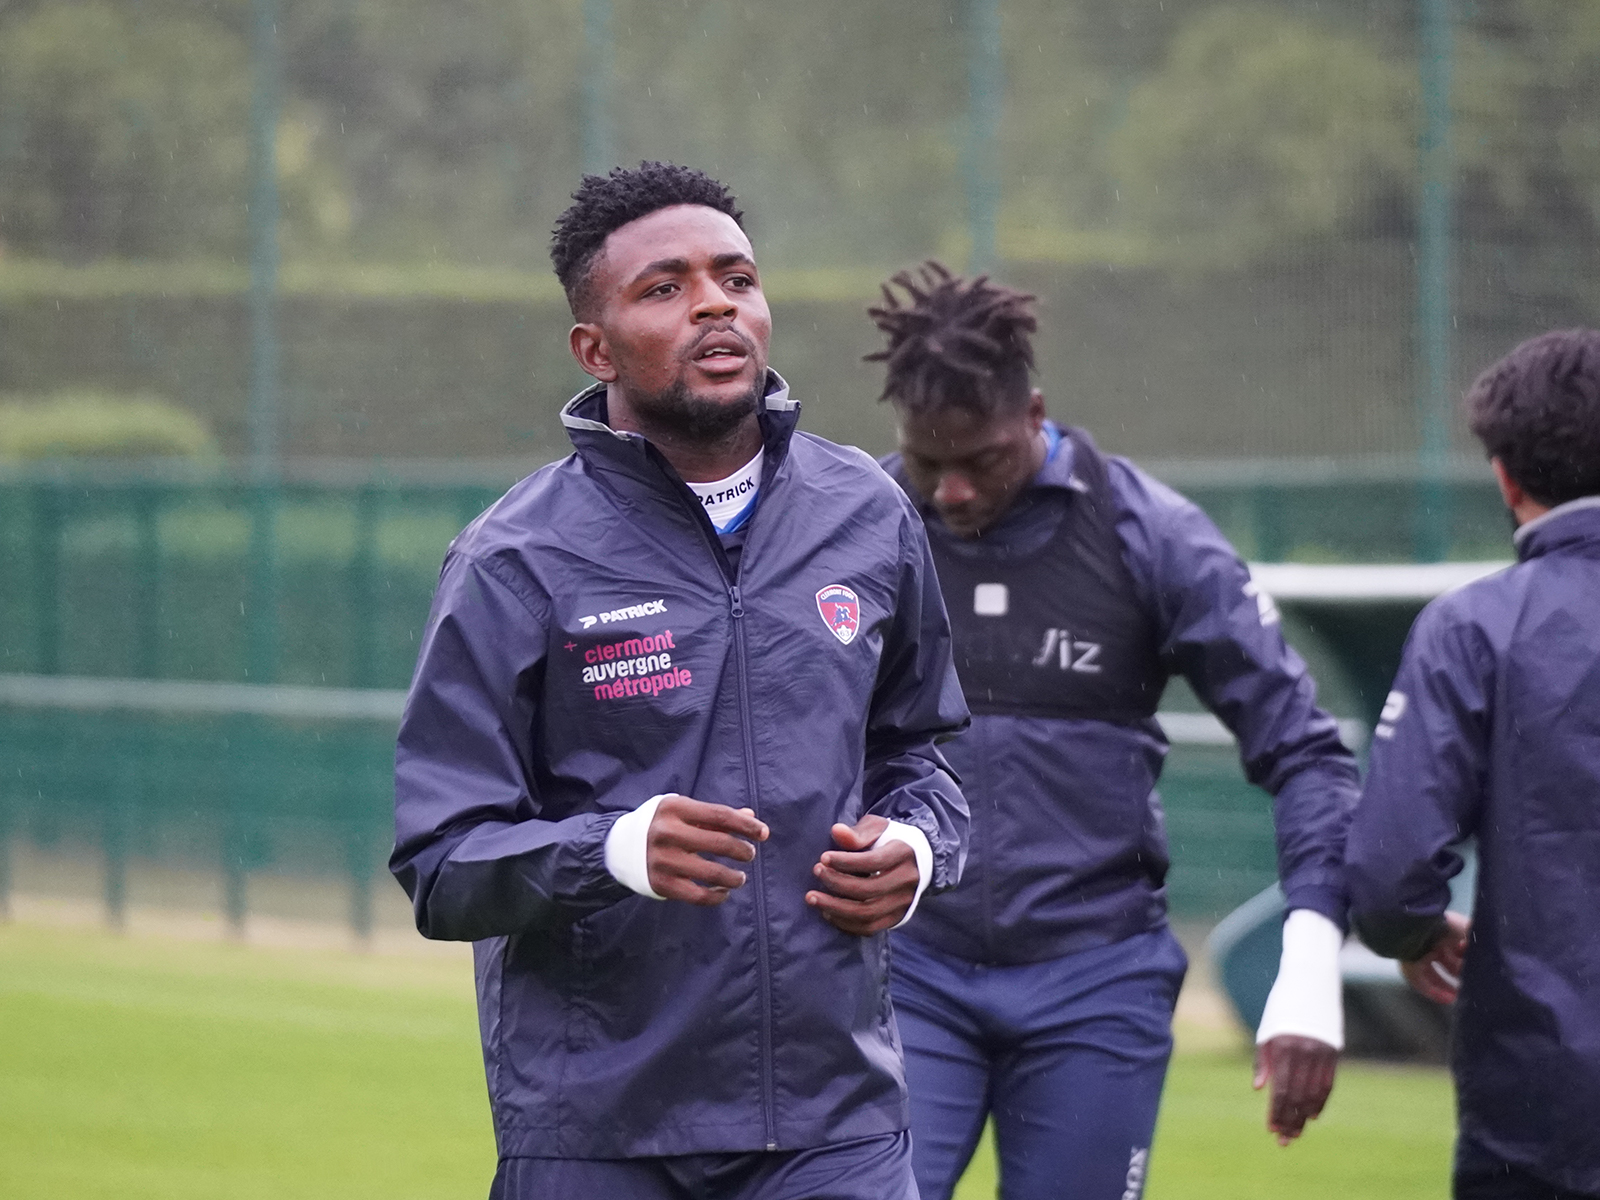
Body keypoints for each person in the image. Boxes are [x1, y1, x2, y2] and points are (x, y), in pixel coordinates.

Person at [390, 164, 970, 1200]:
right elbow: (442, 863)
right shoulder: (512, 559)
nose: (714, 302)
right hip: (595, 1135)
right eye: (664, 287)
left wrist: (918, 849)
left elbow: (915, 754)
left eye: (736, 278)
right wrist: (611, 850)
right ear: (594, 347)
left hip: (832, 1127)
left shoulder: (869, 516)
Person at [864, 263, 1361, 1200]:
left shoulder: (1153, 536)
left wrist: (1308, 965)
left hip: (1097, 982)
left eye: (983, 459)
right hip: (904, 971)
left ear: (1037, 412)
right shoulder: (861, 532)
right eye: (930, 462)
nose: (955, 492)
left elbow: (1305, 750)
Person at [1346, 329, 1600, 1200]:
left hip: (1547, 1103)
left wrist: (1412, 933)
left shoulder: (1476, 628)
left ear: (1504, 475)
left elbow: (1389, 869)